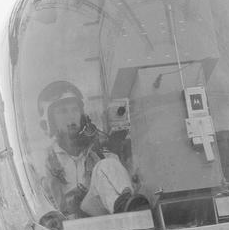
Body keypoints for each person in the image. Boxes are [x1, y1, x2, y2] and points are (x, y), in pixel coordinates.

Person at [37, 81, 148, 219]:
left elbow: (128, 183)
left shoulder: (102, 154)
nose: (71, 116)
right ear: (50, 120)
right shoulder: (43, 163)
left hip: (108, 222)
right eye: (62, 111)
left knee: (107, 165)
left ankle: (127, 210)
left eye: (75, 109)